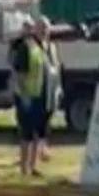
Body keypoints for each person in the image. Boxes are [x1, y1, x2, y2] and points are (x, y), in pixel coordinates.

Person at [9, 19, 45, 176]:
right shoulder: (24, 47)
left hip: (37, 94)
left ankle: (33, 165)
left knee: (36, 132)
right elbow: (20, 74)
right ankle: (24, 168)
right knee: (26, 134)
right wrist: (24, 96)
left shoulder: (37, 46)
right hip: (26, 96)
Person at [36, 17, 62, 161]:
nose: (45, 31)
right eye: (42, 28)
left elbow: (57, 67)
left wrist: (59, 87)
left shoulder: (51, 46)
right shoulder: (35, 46)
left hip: (51, 88)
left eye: (46, 28)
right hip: (38, 88)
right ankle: (38, 150)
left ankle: (44, 148)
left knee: (48, 118)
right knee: (38, 120)